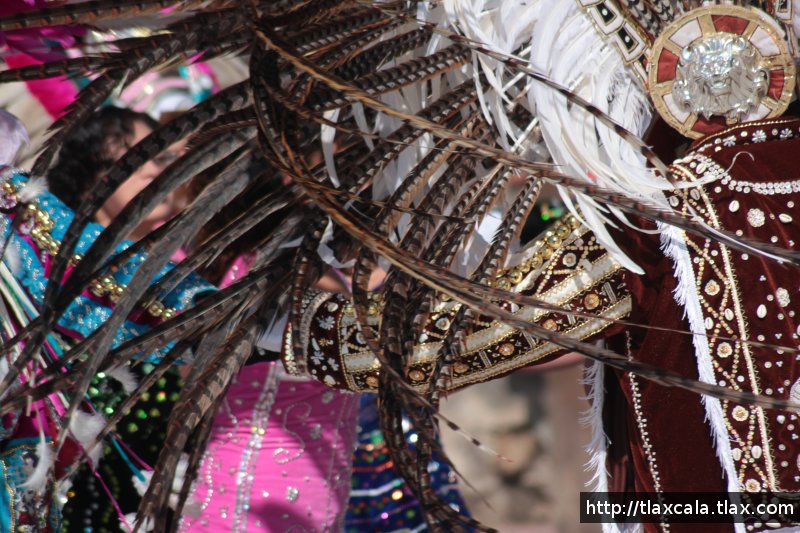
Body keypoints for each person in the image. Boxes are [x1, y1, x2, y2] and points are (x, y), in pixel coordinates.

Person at [0, 105, 213, 532]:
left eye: (166, 158)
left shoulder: (20, 212)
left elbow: (147, 294)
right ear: (96, 171)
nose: (158, 171)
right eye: (142, 156)